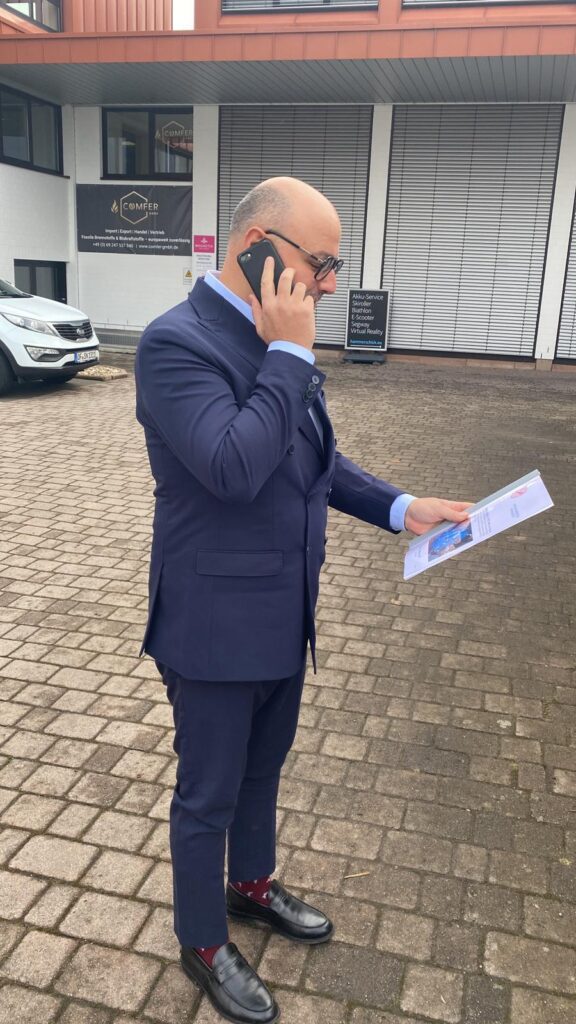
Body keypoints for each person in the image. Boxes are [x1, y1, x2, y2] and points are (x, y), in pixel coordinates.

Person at [135, 177, 471, 1024]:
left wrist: (401, 507)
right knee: (208, 792)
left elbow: (312, 457)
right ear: (256, 245)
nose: (326, 283)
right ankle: (202, 940)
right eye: (318, 263)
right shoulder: (177, 343)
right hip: (212, 626)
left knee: (263, 769)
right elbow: (234, 467)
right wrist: (288, 354)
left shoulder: (274, 334)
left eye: (333, 267)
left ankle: (250, 886)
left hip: (286, 613)